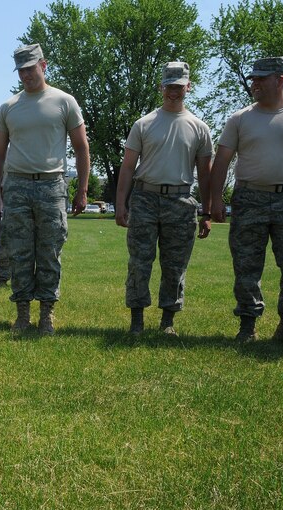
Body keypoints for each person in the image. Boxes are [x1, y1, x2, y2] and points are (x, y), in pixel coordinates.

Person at [210, 56, 283, 345]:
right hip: (249, 199)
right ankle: (247, 326)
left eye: (261, 78)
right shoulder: (240, 118)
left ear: (280, 80)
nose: (254, 83)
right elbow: (221, 162)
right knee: (246, 266)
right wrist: (215, 200)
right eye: (253, 78)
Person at [0, 43, 90, 335]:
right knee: (19, 252)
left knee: (49, 252)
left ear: (43, 65)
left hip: (52, 185)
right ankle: (22, 314)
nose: (26, 75)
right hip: (17, 185)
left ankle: (47, 314)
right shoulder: (9, 107)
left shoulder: (64, 102)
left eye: (30, 68)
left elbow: (82, 147)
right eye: (21, 70)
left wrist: (81, 190)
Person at [115, 62, 213, 336]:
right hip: (145, 199)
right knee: (139, 262)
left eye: (179, 87)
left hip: (181, 203)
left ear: (188, 87)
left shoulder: (199, 128)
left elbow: (204, 175)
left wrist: (206, 212)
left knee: (175, 265)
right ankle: (137, 319)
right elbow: (127, 167)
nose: (173, 92)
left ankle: (167, 321)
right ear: (161, 87)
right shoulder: (144, 124)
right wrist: (121, 204)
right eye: (169, 87)